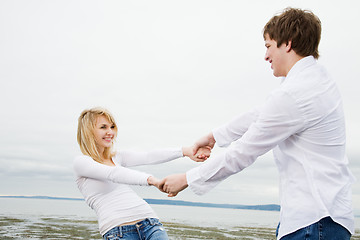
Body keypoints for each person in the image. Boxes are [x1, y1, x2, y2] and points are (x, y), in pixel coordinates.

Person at [160, 7, 355, 240]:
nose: (265, 56)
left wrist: (187, 179)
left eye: (268, 46)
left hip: (313, 224)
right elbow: (261, 113)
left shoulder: (295, 94)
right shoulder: (317, 80)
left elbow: (244, 152)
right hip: (325, 219)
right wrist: (214, 136)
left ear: (288, 44)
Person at [73, 107, 210, 240]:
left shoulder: (117, 157)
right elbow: (113, 173)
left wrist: (186, 151)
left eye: (112, 127)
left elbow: (149, 156)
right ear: (88, 131)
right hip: (117, 230)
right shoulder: (82, 163)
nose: (110, 132)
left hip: (150, 223)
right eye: (103, 127)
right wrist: (152, 180)